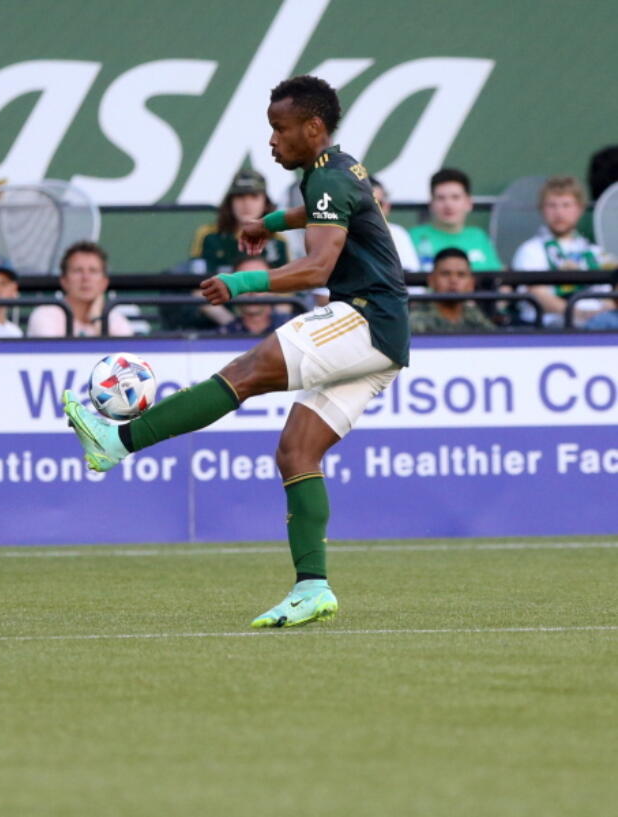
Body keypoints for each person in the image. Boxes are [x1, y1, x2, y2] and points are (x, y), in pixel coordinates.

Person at [64, 75, 408, 629]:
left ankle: (118, 440)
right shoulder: (339, 169)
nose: (272, 140)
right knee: (297, 453)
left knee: (244, 372)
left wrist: (241, 284)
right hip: (386, 337)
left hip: (364, 318)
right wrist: (269, 223)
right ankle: (312, 588)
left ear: (313, 128)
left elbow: (317, 268)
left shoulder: (326, 177)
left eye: (280, 128)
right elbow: (335, 212)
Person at [511, 176, 614, 327]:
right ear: (541, 209)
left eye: (566, 205)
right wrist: (580, 315)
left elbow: (610, 294)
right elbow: (537, 294)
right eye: (552, 205)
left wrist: (606, 310)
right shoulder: (530, 250)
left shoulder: (594, 251)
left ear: (580, 209)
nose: (559, 213)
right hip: (550, 326)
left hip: (600, 324)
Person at [188, 169, 290, 274]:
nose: (247, 203)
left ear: (266, 203)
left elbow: (288, 286)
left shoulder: (279, 242)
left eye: (254, 197)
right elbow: (195, 281)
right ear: (230, 202)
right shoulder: (208, 236)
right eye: (240, 197)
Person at [26, 241, 135, 337]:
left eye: (93, 271)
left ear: (104, 282)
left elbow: (123, 358)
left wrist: (97, 320)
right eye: (78, 271)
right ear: (64, 280)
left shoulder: (116, 320)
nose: (86, 278)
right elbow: (51, 356)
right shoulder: (45, 315)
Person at [408, 168, 502, 272]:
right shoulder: (412, 237)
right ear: (431, 204)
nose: (448, 205)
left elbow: (498, 278)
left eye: (455, 197)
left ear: (469, 203)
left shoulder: (478, 236)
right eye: (441, 198)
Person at [410, 248, 495, 333]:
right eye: (446, 274)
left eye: (461, 275)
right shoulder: (414, 320)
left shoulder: (475, 317)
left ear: (471, 283)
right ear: (431, 280)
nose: (453, 280)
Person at [370, 177, 420, 273]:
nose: (373, 210)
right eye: (366, 204)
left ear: (387, 206)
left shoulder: (398, 234)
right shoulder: (340, 232)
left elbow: (412, 277)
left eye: (378, 204)